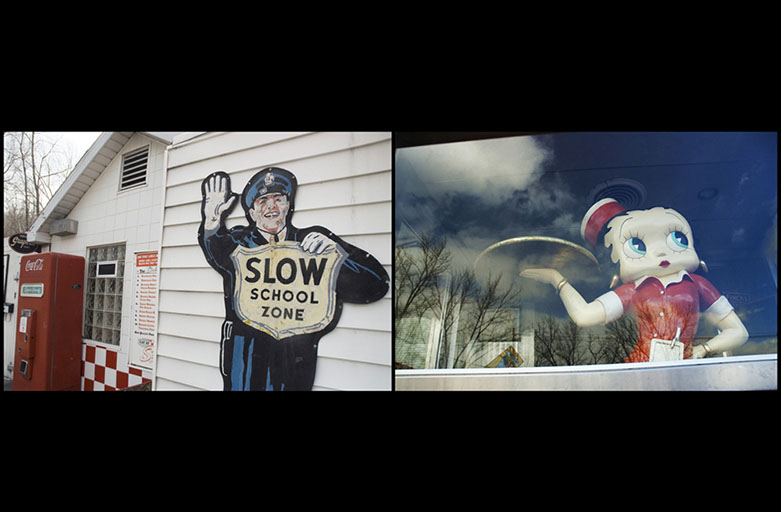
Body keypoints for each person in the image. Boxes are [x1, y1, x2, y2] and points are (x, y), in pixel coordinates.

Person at [198, 167, 389, 390]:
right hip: (246, 357)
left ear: (288, 205)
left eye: (278, 199)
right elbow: (217, 248)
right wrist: (212, 218)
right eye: (262, 201)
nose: (272, 206)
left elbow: (375, 284)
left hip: (294, 359)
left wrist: (337, 252)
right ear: (252, 212)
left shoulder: (311, 240)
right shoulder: (241, 242)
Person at [520, 198, 748, 363]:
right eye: (637, 245)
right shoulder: (631, 291)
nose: (660, 253)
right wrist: (557, 279)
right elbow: (584, 316)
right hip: (637, 371)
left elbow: (738, 332)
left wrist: (704, 349)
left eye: (676, 238)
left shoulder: (698, 284)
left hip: (685, 368)